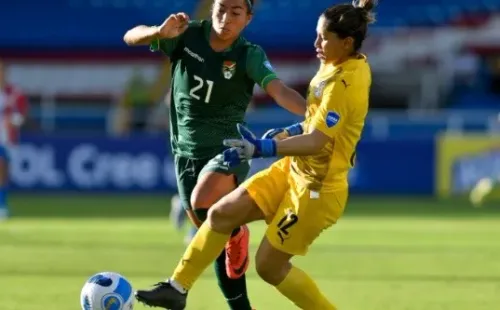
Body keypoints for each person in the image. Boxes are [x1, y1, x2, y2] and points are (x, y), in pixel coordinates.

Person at [134, 0, 376, 309]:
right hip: (292, 171)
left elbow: (316, 141)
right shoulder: (334, 62)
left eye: (324, 38)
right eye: (317, 34)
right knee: (221, 214)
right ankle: (177, 288)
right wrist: (287, 132)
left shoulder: (346, 81)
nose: (316, 43)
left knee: (269, 267)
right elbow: (314, 121)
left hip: (316, 191)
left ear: (347, 42)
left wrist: (264, 147)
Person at [123, 0, 307, 308]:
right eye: (221, 8)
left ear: (248, 18)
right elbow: (130, 36)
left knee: (202, 200)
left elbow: (279, 91)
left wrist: (315, 114)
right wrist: (158, 31)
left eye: (236, 12)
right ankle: (237, 298)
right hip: (184, 153)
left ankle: (235, 234)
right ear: (212, 9)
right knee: (217, 239)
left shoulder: (249, 54)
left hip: (229, 149)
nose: (226, 17)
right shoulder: (185, 34)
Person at [0, 59, 28, 219]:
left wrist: (12, 121)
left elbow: (22, 115)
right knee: (1, 166)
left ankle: (2, 204)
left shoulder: (15, 93)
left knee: (3, 173)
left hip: (8, 139)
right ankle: (2, 207)